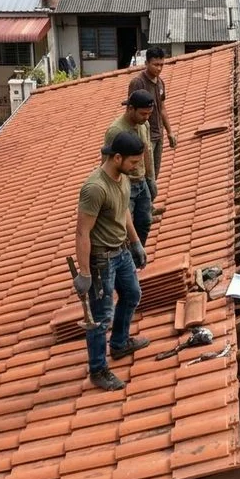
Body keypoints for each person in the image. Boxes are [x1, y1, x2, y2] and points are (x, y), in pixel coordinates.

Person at [76, 132, 150, 391]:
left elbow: (124, 213)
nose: (136, 167)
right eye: (133, 162)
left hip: (122, 252)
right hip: (101, 260)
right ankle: (98, 369)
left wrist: (136, 243)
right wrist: (84, 273)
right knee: (100, 316)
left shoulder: (124, 178)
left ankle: (119, 343)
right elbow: (82, 231)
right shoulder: (95, 188)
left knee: (132, 294)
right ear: (117, 157)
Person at [105, 89, 157, 245]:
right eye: (143, 114)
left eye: (149, 114)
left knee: (145, 221)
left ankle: (136, 258)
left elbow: (147, 152)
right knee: (125, 227)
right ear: (130, 109)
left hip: (141, 182)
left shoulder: (144, 125)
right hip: (125, 185)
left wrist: (151, 179)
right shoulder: (116, 131)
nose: (146, 117)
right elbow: (107, 162)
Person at [127, 47, 176, 183]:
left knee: (155, 174)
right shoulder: (138, 83)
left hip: (158, 134)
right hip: (144, 136)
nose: (159, 68)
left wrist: (169, 132)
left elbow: (162, 109)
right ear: (146, 63)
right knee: (145, 175)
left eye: (161, 65)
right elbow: (130, 111)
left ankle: (150, 203)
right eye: (155, 64)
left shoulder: (160, 83)